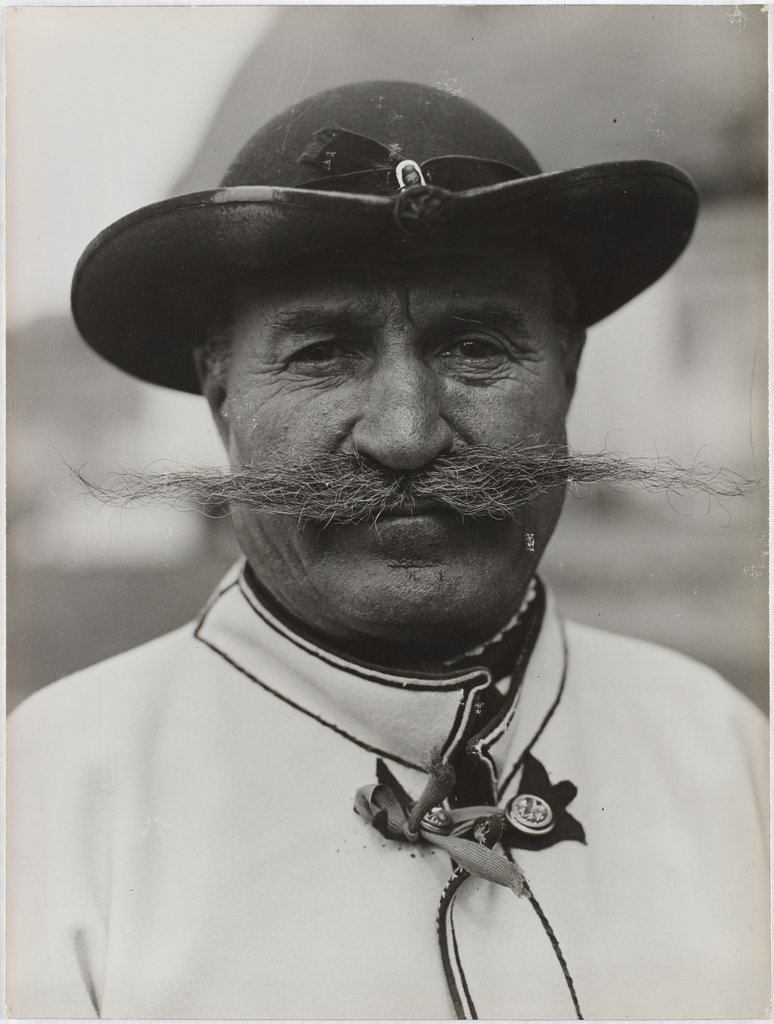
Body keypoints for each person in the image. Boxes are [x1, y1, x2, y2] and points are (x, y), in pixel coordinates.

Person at [7, 81, 768, 1020]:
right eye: (323, 353)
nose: (406, 434)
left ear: (568, 373)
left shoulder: (721, 752)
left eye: (477, 345)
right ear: (221, 400)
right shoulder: (54, 794)